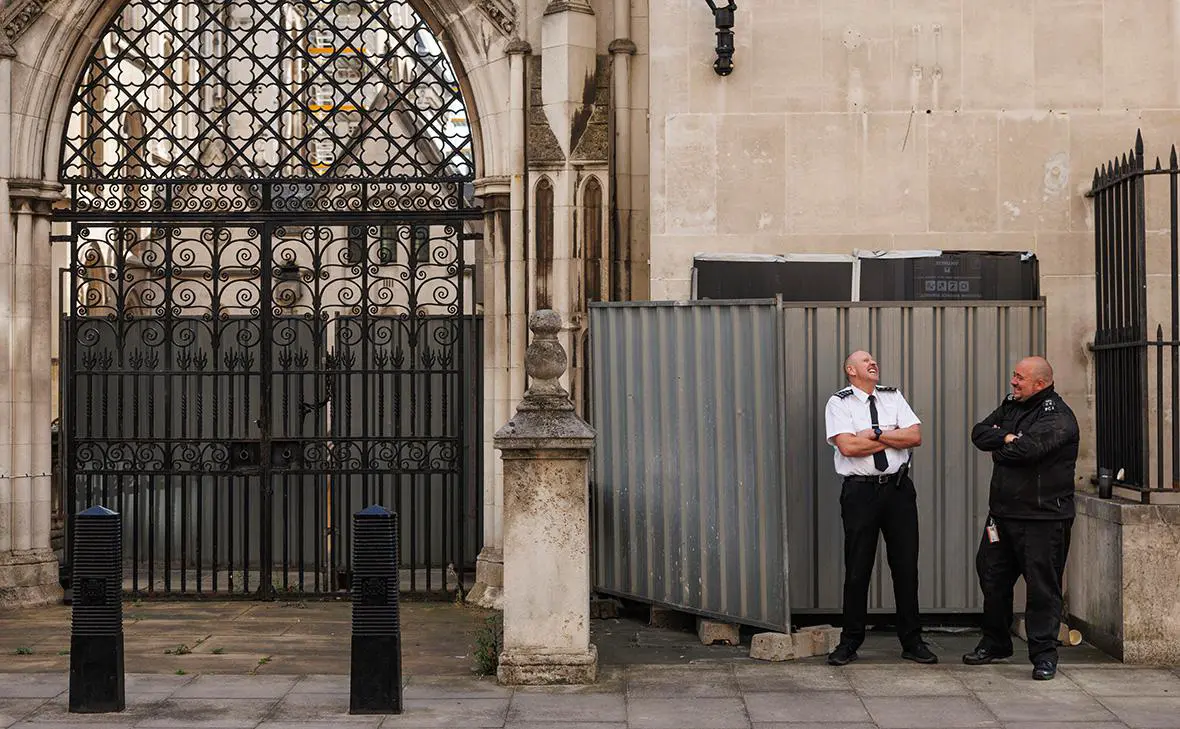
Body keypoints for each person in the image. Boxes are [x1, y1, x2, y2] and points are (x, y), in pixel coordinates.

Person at [965, 356, 1078, 681]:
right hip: (1001, 515)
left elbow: (1025, 452)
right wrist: (1005, 437)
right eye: (1014, 375)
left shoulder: (1058, 418)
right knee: (991, 576)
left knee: (1042, 588)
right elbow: (979, 433)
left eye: (1020, 378)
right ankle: (996, 642)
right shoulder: (1013, 405)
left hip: (1043, 518)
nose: (1013, 382)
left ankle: (1044, 655)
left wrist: (1003, 444)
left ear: (1040, 384)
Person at [824, 351, 936, 666]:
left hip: (898, 491)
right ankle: (850, 642)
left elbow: (915, 436)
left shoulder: (893, 396)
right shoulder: (839, 403)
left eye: (873, 359)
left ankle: (912, 641)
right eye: (864, 361)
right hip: (860, 493)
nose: (873, 363)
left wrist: (873, 434)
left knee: (905, 567)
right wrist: (892, 438)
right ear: (850, 370)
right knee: (858, 568)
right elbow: (847, 446)